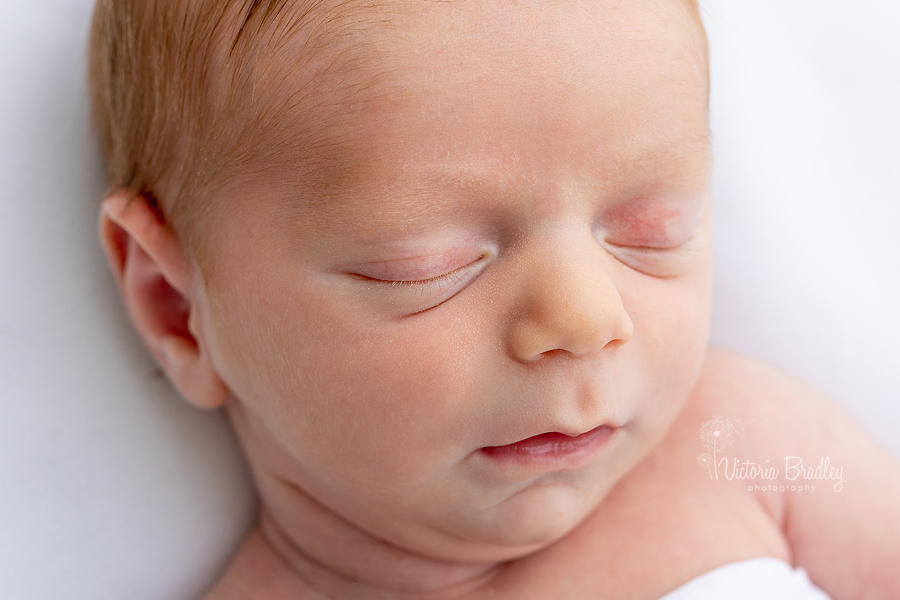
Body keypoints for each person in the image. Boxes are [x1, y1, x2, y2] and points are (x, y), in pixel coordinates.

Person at [88, 0, 900, 598]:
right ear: (175, 306)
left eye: (652, 231)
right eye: (427, 266)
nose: (584, 321)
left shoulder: (743, 447)